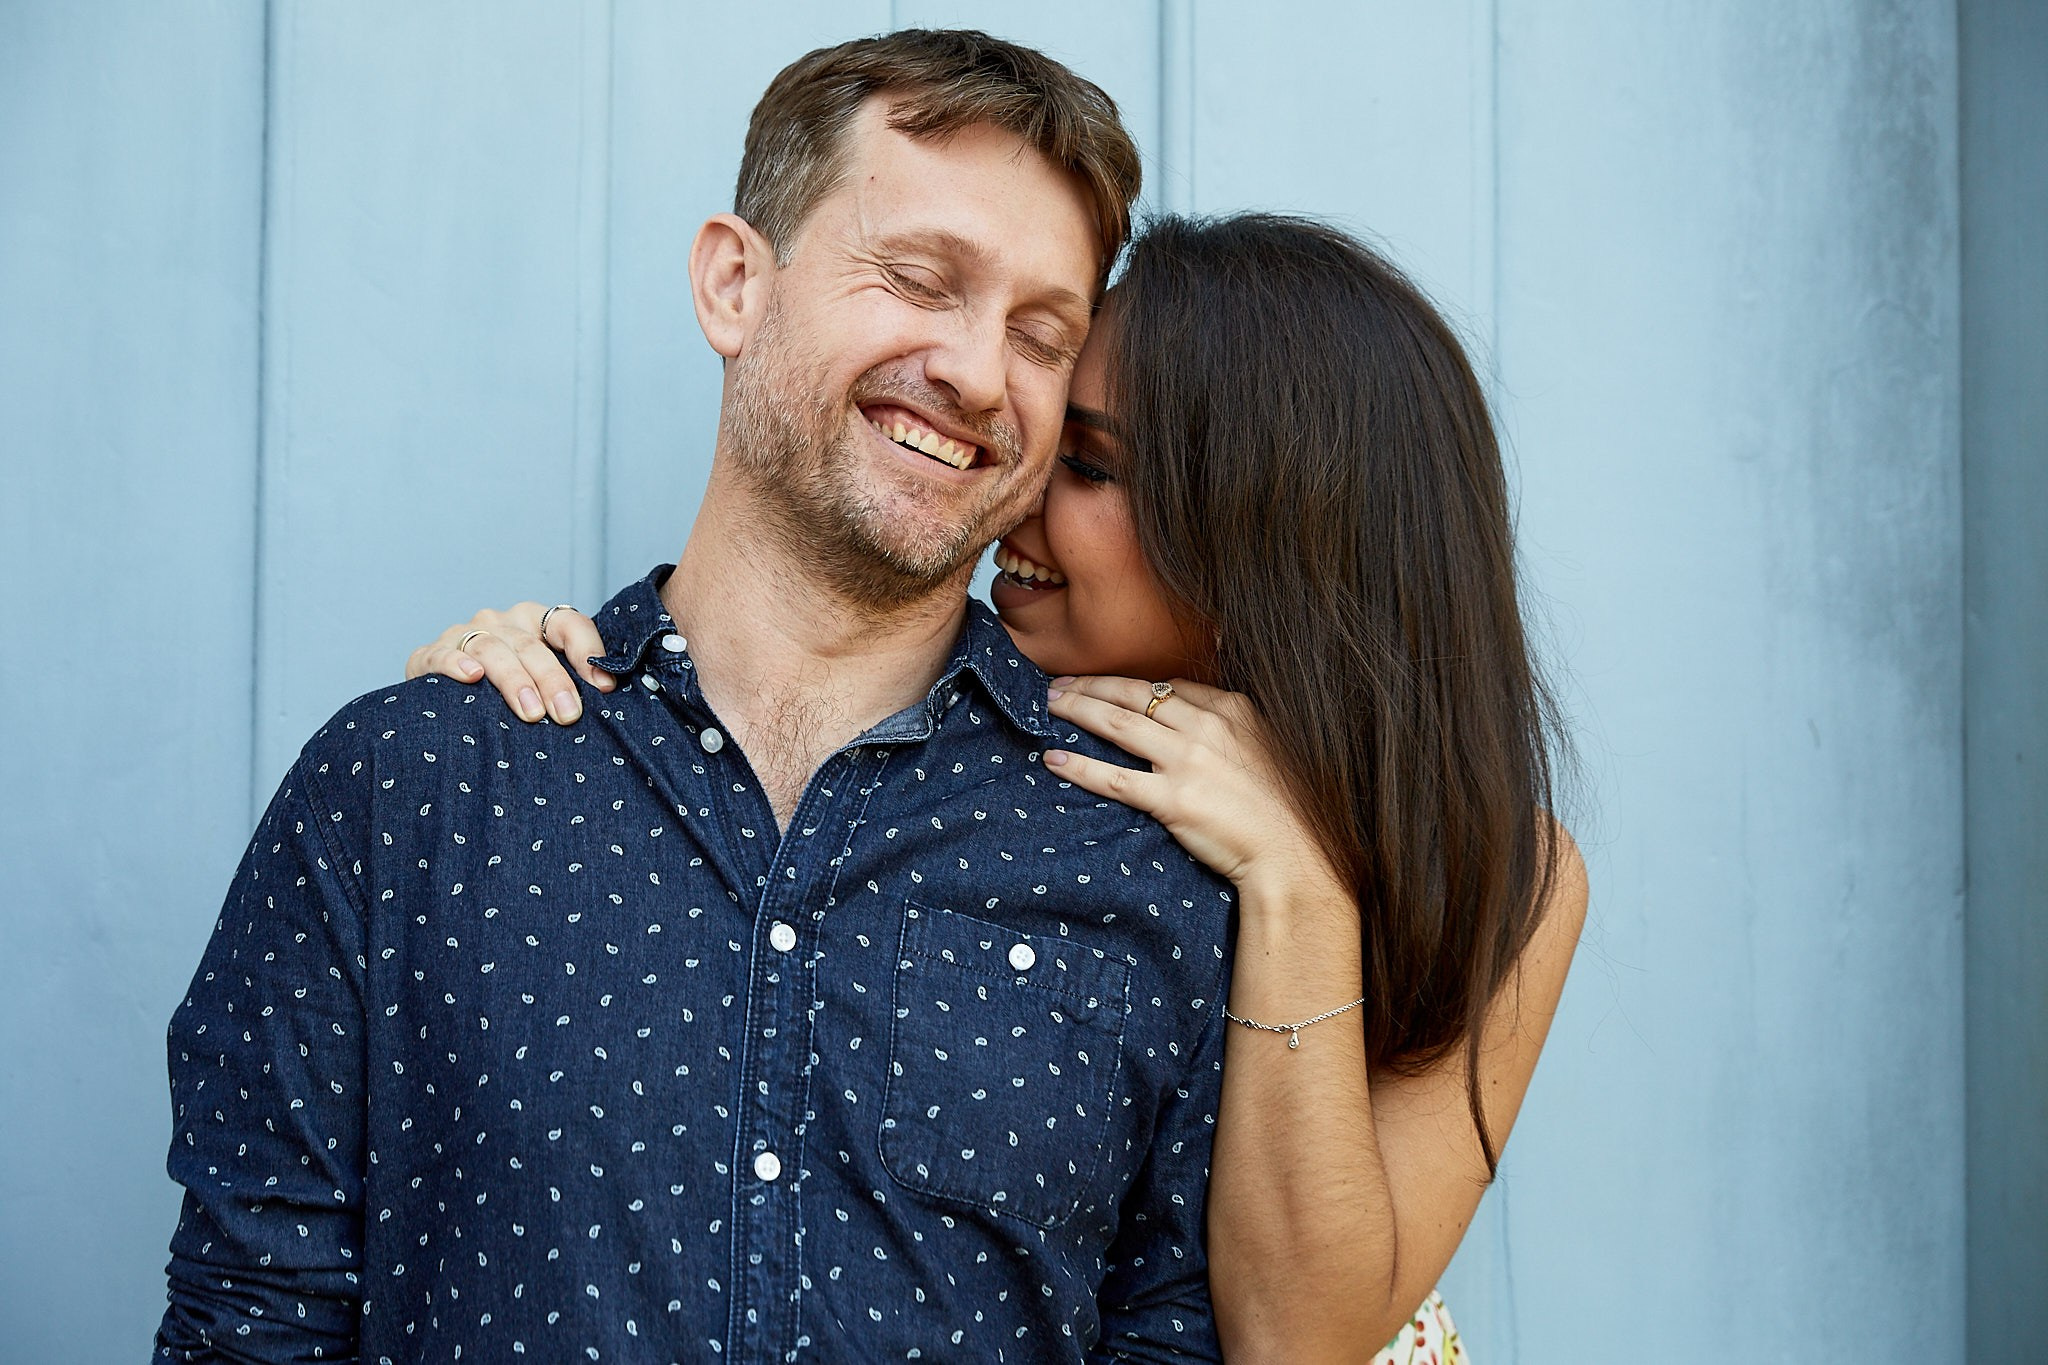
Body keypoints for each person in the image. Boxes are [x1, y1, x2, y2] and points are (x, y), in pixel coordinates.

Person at [156, 31, 1242, 1364]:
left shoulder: (1147, 866)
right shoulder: (409, 794)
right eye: (918, 278)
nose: (974, 369)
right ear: (736, 282)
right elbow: (250, 1326)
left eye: (1040, 333)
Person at [411, 213, 1588, 1363]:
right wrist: (520, 682)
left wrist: (1300, 887)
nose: (1017, 496)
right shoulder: (1010, 765)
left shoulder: (1501, 874)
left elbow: (1298, 1340)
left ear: (1258, 543)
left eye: (1086, 466)